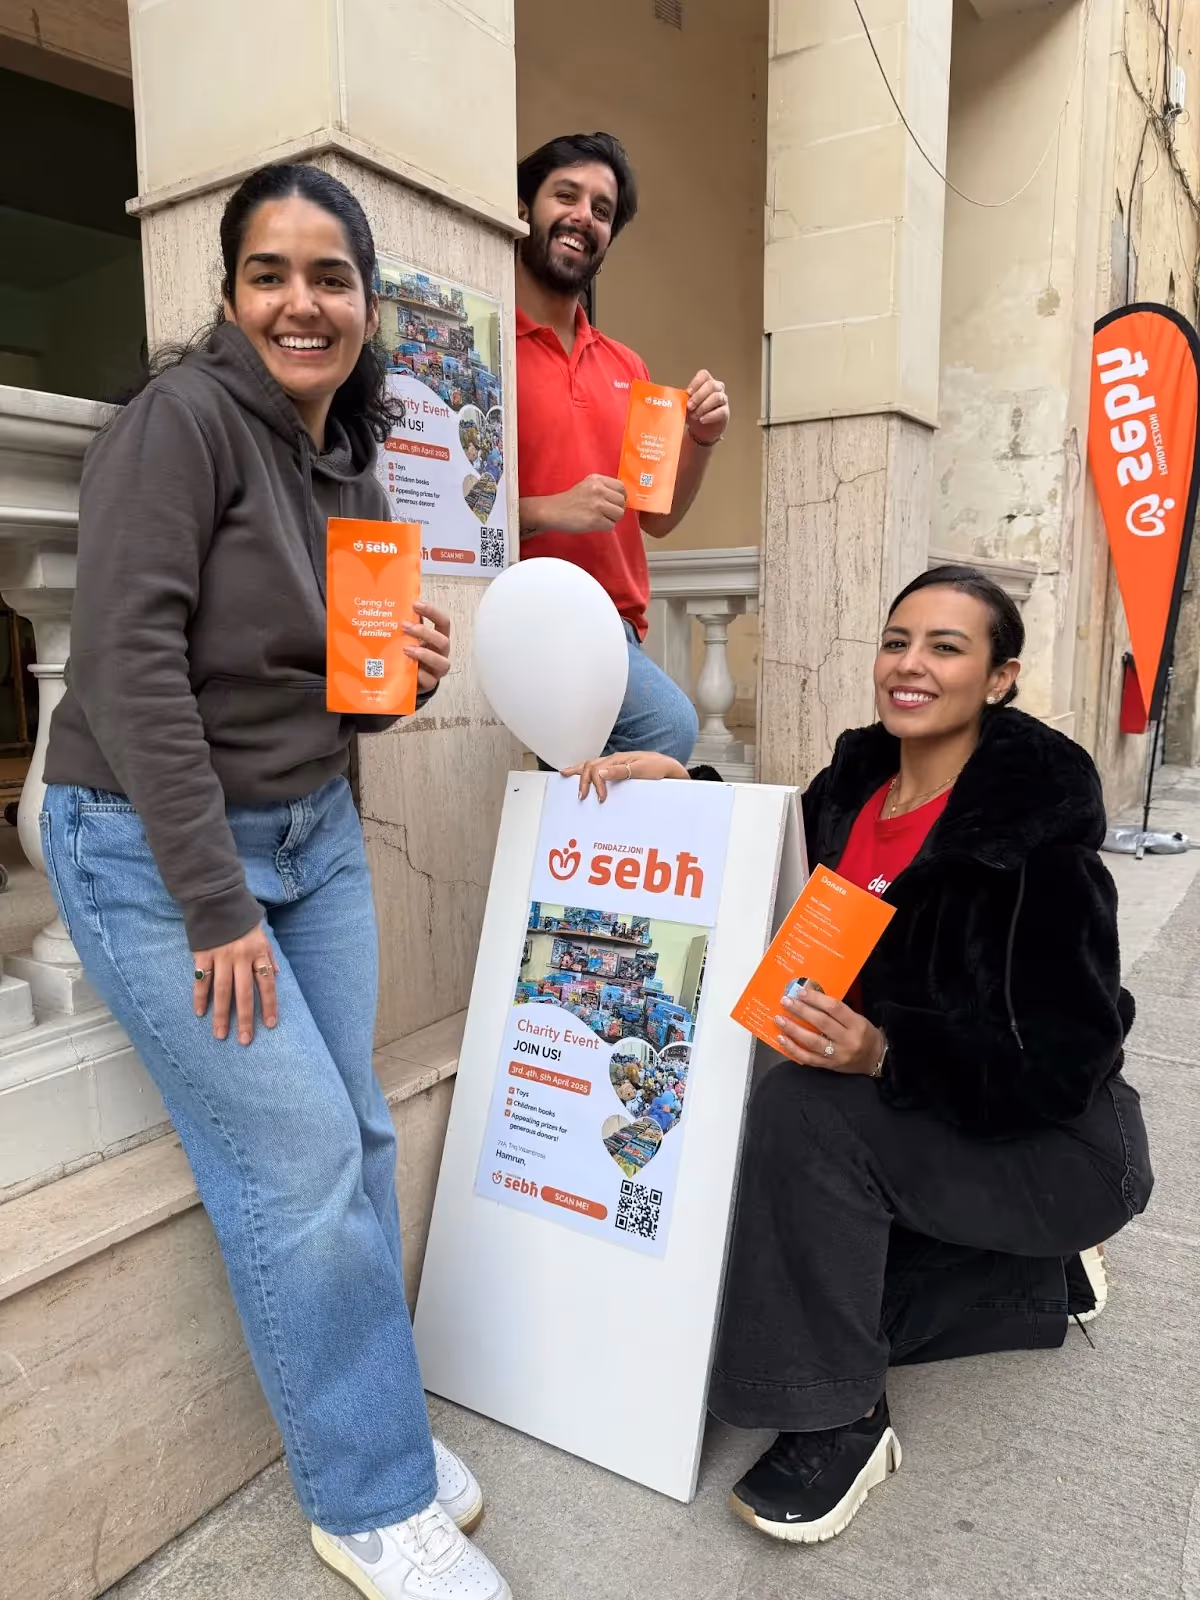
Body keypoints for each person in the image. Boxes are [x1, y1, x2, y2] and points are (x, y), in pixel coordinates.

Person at [41, 163, 511, 1600]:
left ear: (366, 304)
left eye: (331, 276)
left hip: (308, 838)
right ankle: (366, 1500)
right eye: (270, 274)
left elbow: (330, 697)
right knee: (298, 1163)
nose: (302, 302)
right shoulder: (175, 427)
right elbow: (128, 677)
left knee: (358, 1139)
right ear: (232, 294)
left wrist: (398, 683)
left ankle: (372, 1427)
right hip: (155, 849)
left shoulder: (348, 461)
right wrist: (215, 901)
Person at [567, 563, 1153, 1545]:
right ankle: (1037, 1278)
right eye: (896, 640)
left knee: (805, 1114)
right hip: (940, 1131)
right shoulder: (855, 781)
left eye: (945, 646)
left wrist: (889, 1051)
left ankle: (838, 1416)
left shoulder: (1030, 830)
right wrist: (690, 791)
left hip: (1063, 1140)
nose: (910, 664)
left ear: (999, 678)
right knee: (758, 1295)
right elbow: (780, 853)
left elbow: (1069, 1055)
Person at [514, 130, 730, 765]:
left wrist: (701, 440)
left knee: (589, 790)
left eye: (602, 211)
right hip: (532, 617)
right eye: (567, 195)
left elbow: (656, 517)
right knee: (667, 728)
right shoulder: (486, 345)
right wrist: (549, 510)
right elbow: (450, 512)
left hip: (614, 633)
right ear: (525, 207)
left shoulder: (627, 364)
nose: (584, 217)